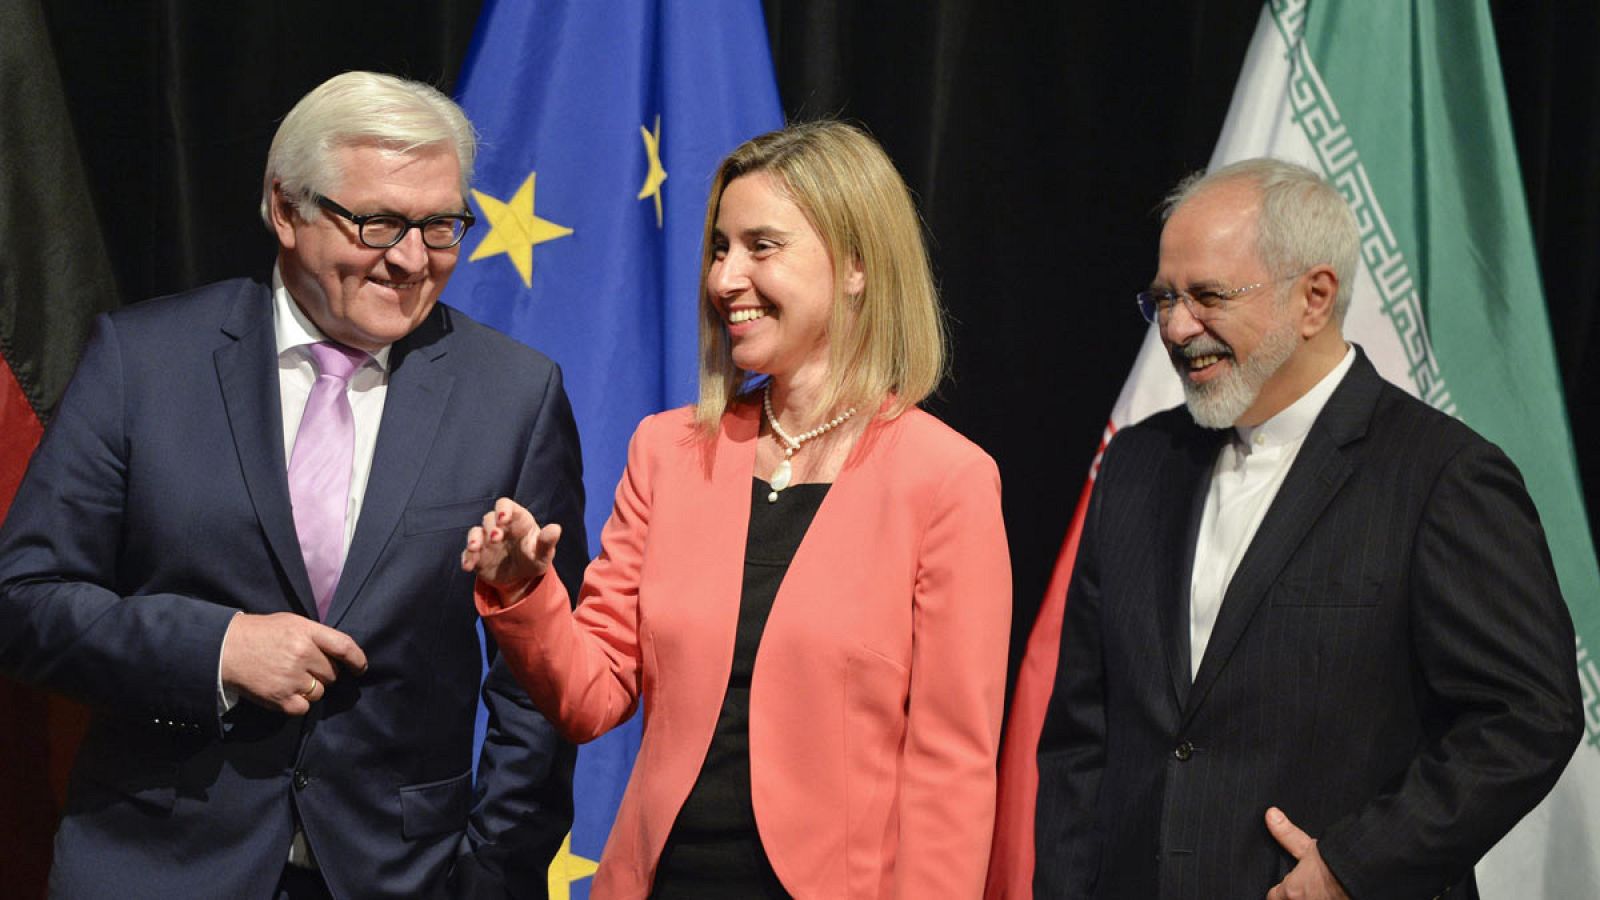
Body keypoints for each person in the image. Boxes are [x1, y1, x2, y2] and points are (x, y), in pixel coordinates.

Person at [0, 71, 587, 899]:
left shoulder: (515, 395)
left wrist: (495, 868)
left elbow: (542, 673)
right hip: (158, 863)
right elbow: (23, 601)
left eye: (442, 227)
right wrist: (218, 649)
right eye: (379, 222)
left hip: (402, 876)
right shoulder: (145, 363)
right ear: (286, 209)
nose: (412, 260)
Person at [461, 120, 1012, 898]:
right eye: (721, 248)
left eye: (762, 246)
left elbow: (951, 768)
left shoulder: (946, 480)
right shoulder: (669, 452)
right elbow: (592, 696)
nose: (724, 278)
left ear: (856, 266)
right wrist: (524, 591)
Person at [1032, 157, 1583, 899]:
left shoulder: (1441, 475)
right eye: (1162, 298)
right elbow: (1081, 739)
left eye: (1207, 296)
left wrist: (1358, 866)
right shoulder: (1136, 464)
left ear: (1314, 298)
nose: (1175, 327)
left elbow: (1528, 717)